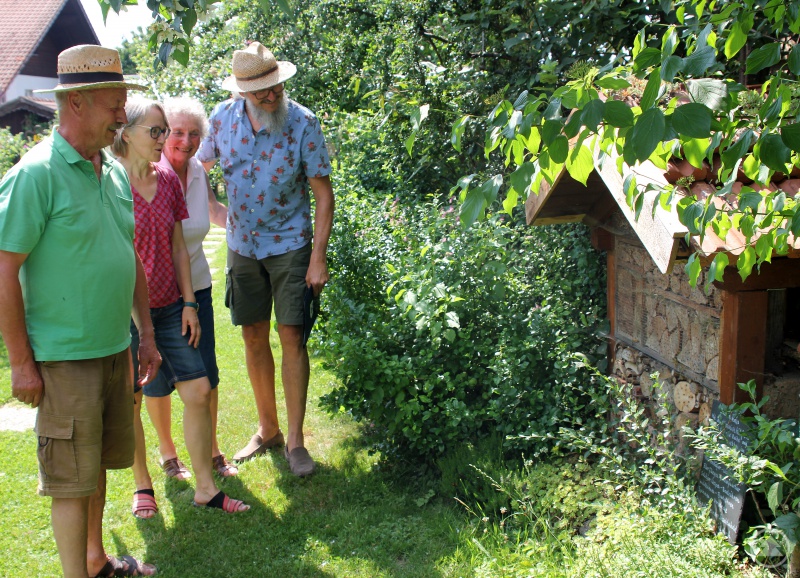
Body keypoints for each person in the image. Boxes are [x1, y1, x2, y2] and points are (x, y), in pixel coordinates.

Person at [0, 45, 159, 577]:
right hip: (64, 357)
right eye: (115, 103)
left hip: (115, 346)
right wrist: (22, 362)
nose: (123, 113)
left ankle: (95, 561)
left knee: (96, 470)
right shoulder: (36, 173)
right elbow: (4, 268)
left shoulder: (110, 172)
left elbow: (128, 255)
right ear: (78, 104)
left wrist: (147, 335)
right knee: (70, 482)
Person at [197, 41, 334, 476]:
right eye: (262, 92)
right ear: (242, 91)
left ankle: (295, 442)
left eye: (276, 87)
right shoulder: (220, 119)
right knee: (252, 337)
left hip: (291, 244)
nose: (272, 96)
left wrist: (318, 257)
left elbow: (323, 196)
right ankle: (268, 428)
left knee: (292, 336)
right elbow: (194, 168)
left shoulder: (302, 122)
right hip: (242, 246)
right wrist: (215, 212)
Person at [112, 96, 249, 516]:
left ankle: (205, 488)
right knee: (133, 398)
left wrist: (190, 303)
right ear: (126, 133)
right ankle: (143, 486)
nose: (163, 139)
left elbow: (177, 247)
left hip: (172, 305)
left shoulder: (167, 180)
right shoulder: (108, 182)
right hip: (123, 310)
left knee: (199, 388)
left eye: (162, 131)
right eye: (156, 131)